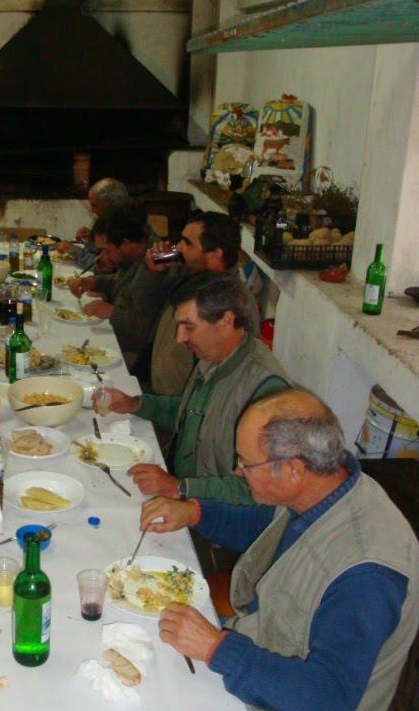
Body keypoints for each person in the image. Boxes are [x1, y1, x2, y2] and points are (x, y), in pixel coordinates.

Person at [140, 389, 419, 711]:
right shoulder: (324, 489)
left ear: (293, 469)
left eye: (245, 463)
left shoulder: (367, 574)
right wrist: (194, 512)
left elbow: (329, 699)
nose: (238, 471)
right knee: (142, 659)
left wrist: (218, 648)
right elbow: (264, 526)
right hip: (261, 649)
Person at [98, 272, 288, 504]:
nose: (179, 338)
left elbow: (262, 488)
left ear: (226, 321)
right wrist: (136, 404)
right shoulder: (214, 356)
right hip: (181, 486)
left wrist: (180, 487)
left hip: (210, 511)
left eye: (188, 327)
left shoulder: (266, 391)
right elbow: (192, 414)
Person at [138, 211, 260, 397]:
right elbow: (142, 308)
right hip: (156, 389)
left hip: (176, 405)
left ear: (215, 255)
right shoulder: (189, 276)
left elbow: (223, 381)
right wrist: (152, 272)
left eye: (188, 243)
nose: (178, 247)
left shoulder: (233, 303)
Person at [66, 200, 168, 369]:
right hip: (117, 338)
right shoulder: (131, 258)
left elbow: (144, 329)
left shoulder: (156, 265)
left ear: (126, 243)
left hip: (134, 357)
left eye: (106, 250)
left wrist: (111, 312)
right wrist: (94, 282)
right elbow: (122, 284)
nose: (102, 257)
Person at [54, 177, 128, 270]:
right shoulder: (116, 219)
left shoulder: (123, 228)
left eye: (94, 206)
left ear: (109, 206)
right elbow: (100, 253)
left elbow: (102, 267)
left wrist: (74, 251)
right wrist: (92, 240)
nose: (92, 211)